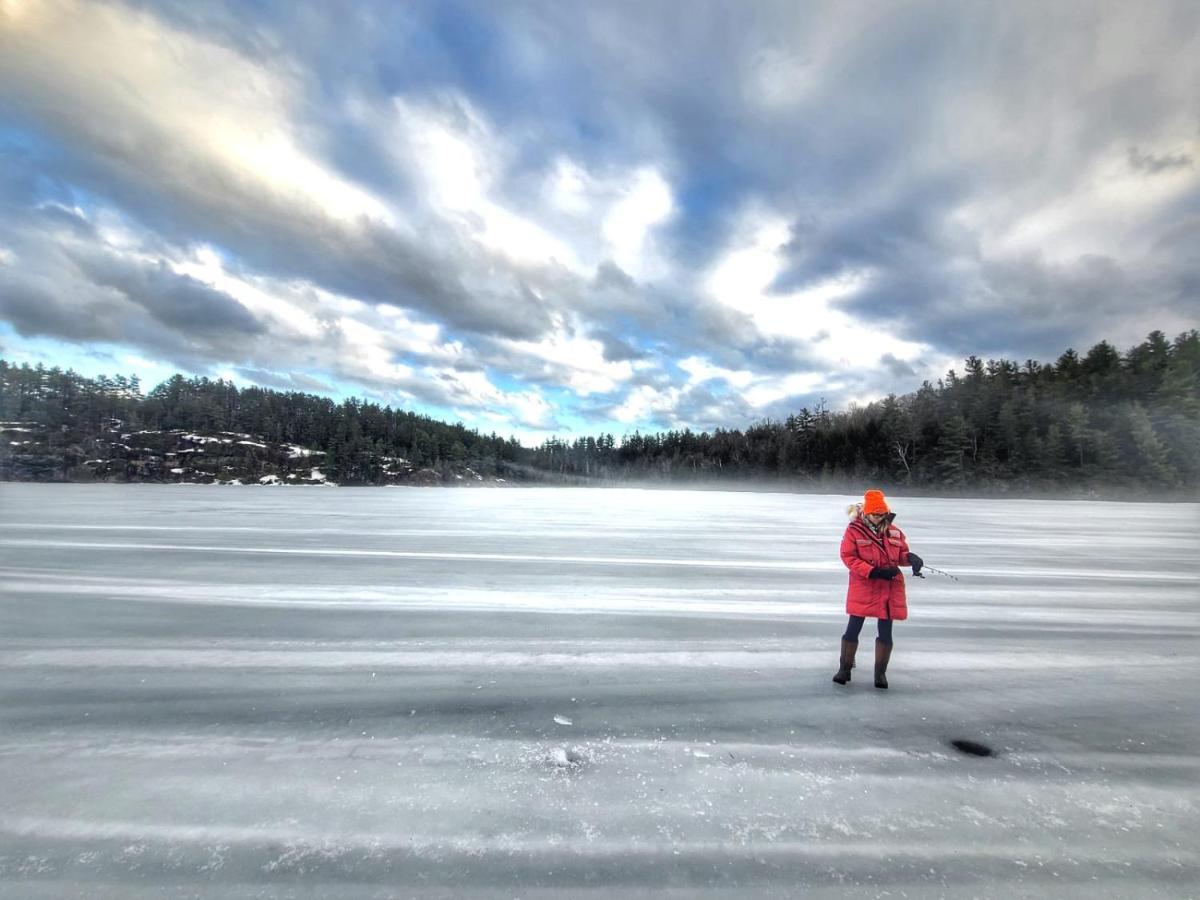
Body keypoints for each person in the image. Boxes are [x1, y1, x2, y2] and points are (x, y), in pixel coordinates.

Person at [832, 489, 922, 689]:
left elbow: (901, 554)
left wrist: (911, 559)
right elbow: (848, 557)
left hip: (889, 588)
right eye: (876, 514)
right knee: (854, 627)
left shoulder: (895, 531)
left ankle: (880, 674)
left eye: (882, 514)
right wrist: (873, 571)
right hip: (864, 585)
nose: (879, 518)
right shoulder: (854, 531)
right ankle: (844, 668)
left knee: (886, 631)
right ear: (867, 512)